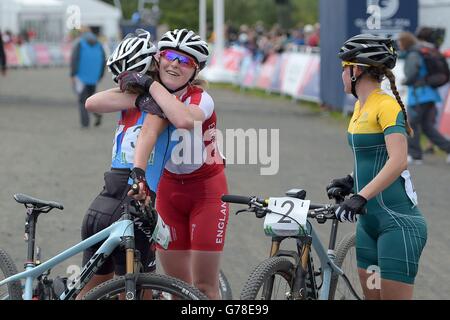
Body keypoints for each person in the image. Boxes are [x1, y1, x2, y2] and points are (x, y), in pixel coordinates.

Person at [119, 29, 229, 299]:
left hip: (207, 192)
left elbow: (181, 119)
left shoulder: (201, 97)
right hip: (169, 191)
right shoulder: (149, 94)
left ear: (196, 69)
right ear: (158, 58)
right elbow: (93, 103)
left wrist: (151, 86)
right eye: (169, 56)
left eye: (185, 61)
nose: (174, 64)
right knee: (178, 286)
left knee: (204, 287)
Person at [76, 29, 177, 299]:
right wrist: (139, 174)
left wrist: (140, 94)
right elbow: (148, 134)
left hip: (102, 202)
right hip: (133, 201)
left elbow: (91, 102)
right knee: (133, 293)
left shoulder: (127, 102)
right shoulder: (159, 104)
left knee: (89, 292)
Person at [327, 34, 427, 300]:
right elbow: (374, 158)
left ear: (356, 70)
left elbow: (398, 159)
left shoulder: (386, 105)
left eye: (343, 69)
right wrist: (351, 180)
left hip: (398, 226)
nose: (342, 75)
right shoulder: (361, 107)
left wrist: (361, 195)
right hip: (368, 226)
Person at [397, 31, 450, 164]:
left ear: (404, 43)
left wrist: (405, 81)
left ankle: (415, 155)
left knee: (411, 125)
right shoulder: (420, 51)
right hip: (429, 95)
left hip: (418, 96)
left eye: (399, 42)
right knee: (427, 127)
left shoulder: (413, 54)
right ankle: (448, 149)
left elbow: (412, 73)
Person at [70, 27, 106, 128]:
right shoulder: (99, 45)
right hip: (94, 77)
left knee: (82, 101)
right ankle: (97, 113)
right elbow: (104, 61)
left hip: (82, 76)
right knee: (90, 99)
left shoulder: (80, 44)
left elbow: (74, 59)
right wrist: (100, 75)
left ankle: (85, 124)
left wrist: (73, 74)